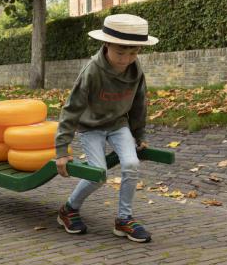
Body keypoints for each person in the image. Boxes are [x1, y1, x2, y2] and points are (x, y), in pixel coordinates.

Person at [55, 14, 159, 243]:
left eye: (132, 53)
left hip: (118, 124)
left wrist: (139, 134)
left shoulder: (135, 70)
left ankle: (124, 219)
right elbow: (71, 110)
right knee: (97, 174)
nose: (125, 59)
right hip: (90, 127)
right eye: (120, 53)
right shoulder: (92, 71)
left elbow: (140, 103)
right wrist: (61, 151)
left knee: (131, 164)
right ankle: (69, 209)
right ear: (107, 44)